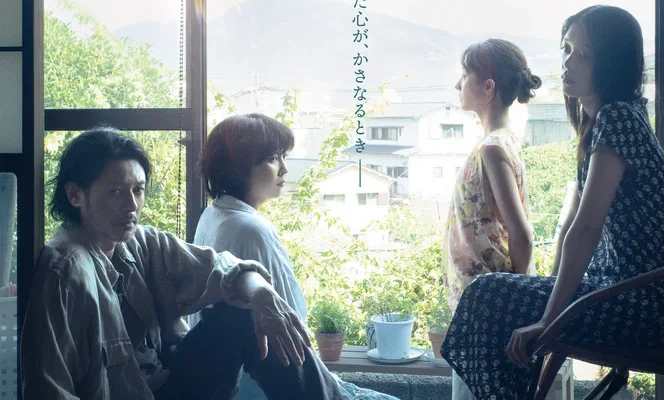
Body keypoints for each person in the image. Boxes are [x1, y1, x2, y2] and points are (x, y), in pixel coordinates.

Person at [441, 6, 664, 400]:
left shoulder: (619, 119)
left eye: (585, 55)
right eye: (566, 49)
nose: (568, 63)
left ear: (611, 64)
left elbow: (586, 228)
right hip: (613, 294)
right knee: (489, 295)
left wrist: (548, 319)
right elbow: (570, 226)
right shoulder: (602, 124)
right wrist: (545, 293)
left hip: (638, 306)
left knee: (486, 295)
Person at [20, 127, 345, 400]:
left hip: (170, 385)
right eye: (116, 192)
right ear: (75, 195)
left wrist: (263, 296)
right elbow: (47, 389)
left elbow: (224, 267)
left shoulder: (138, 242)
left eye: (138, 190)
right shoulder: (65, 272)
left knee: (244, 312)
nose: (131, 205)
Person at [190, 113, 399, 400]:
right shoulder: (251, 230)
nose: (284, 168)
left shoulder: (214, 214)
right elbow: (290, 323)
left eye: (283, 156)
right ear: (239, 167)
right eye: (272, 158)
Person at [441, 38, 540, 400]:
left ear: (488, 87)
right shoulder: (501, 142)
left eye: (465, 75)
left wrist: (518, 300)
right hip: (485, 302)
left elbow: (522, 234)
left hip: (491, 307)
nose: (458, 84)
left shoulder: (493, 148)